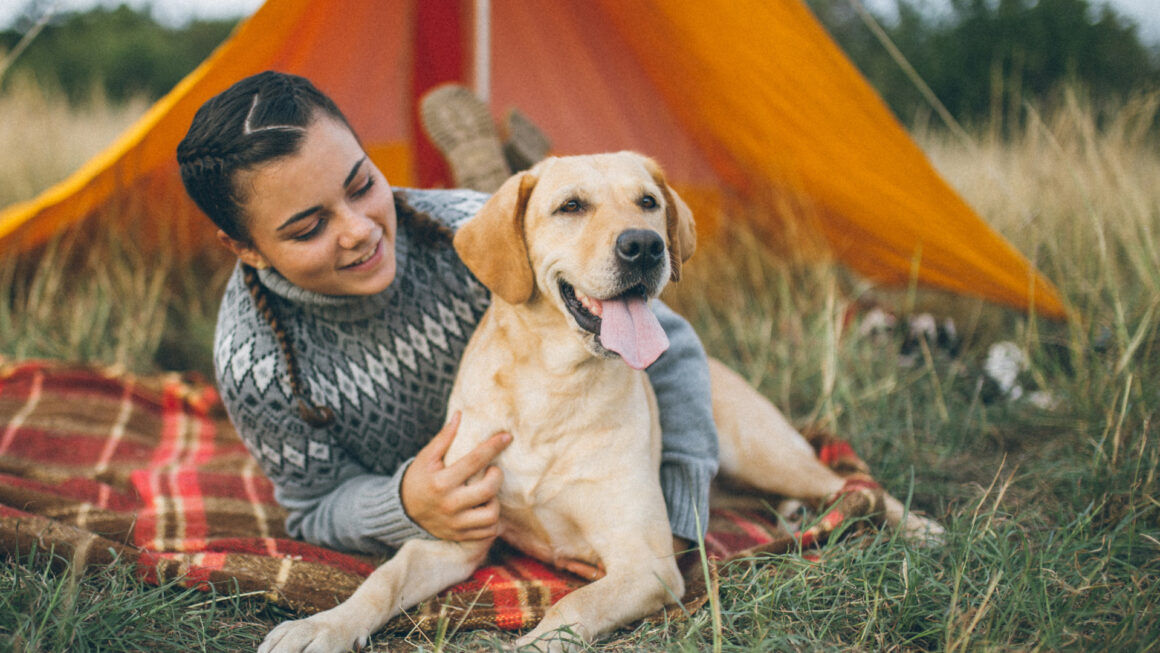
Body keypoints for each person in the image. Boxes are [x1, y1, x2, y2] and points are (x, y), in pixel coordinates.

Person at [176, 71, 718, 576]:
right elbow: (316, 507)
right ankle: (498, 160)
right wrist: (403, 502)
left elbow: (668, 348)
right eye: (310, 227)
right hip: (462, 485)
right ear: (246, 249)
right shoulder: (256, 364)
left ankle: (504, 169)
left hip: (557, 414)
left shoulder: (469, 228)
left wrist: (679, 505)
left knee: (505, 206)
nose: (359, 230)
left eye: (362, 184)